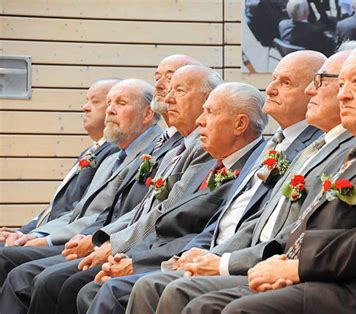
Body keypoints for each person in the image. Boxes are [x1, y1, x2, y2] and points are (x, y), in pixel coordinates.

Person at [182, 43, 356, 313]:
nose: (343, 94)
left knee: (225, 308)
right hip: (337, 279)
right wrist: (285, 262)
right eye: (342, 84)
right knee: (203, 301)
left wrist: (298, 267)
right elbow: (321, 223)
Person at [79, 50, 327, 314]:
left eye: (285, 83)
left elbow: (261, 225)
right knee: (83, 284)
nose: (271, 89)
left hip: (253, 260)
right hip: (197, 251)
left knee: (144, 288)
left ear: (240, 124)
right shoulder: (271, 147)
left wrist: (214, 260)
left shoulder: (299, 148)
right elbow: (219, 222)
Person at [0, 78, 163, 312]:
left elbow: (115, 215)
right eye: (108, 103)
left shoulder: (152, 154)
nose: (110, 110)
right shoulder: (114, 157)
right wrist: (30, 232)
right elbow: (76, 209)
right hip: (87, 237)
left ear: (148, 114)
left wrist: (50, 238)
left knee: (32, 276)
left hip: (113, 242)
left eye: (120, 103)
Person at [0, 78, 120, 245]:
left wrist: (36, 236)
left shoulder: (115, 152)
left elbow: (81, 211)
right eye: (86, 101)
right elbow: (55, 208)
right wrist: (21, 232)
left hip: (67, 237)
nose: (84, 107)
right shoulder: (90, 151)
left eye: (94, 102)